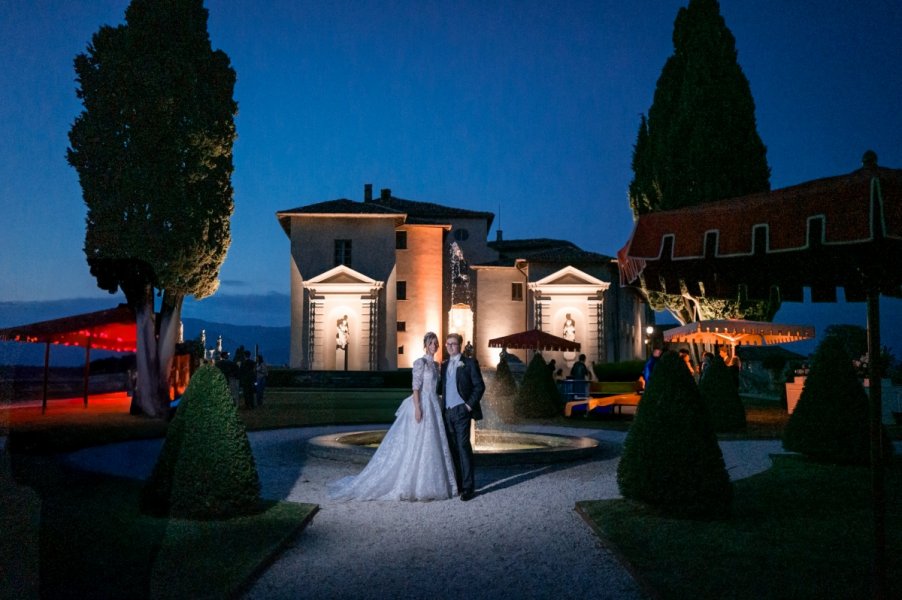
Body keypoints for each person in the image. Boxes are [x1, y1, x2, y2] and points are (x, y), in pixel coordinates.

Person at [329, 332, 457, 501]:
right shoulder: (420, 362)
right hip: (423, 404)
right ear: (425, 345)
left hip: (434, 404)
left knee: (433, 443)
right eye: (431, 343)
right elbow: (416, 388)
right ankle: (414, 484)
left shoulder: (436, 365)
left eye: (436, 343)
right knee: (418, 442)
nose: (434, 346)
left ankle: (431, 483)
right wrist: (418, 408)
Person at [439, 332, 486, 502]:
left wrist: (468, 406)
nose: (450, 346)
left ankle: (468, 487)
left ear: (460, 345)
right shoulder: (443, 366)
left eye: (453, 344)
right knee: (453, 449)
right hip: (447, 412)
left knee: (463, 447)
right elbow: (441, 388)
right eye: (448, 344)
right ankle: (458, 484)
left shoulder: (469, 363)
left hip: (461, 411)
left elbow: (479, 386)